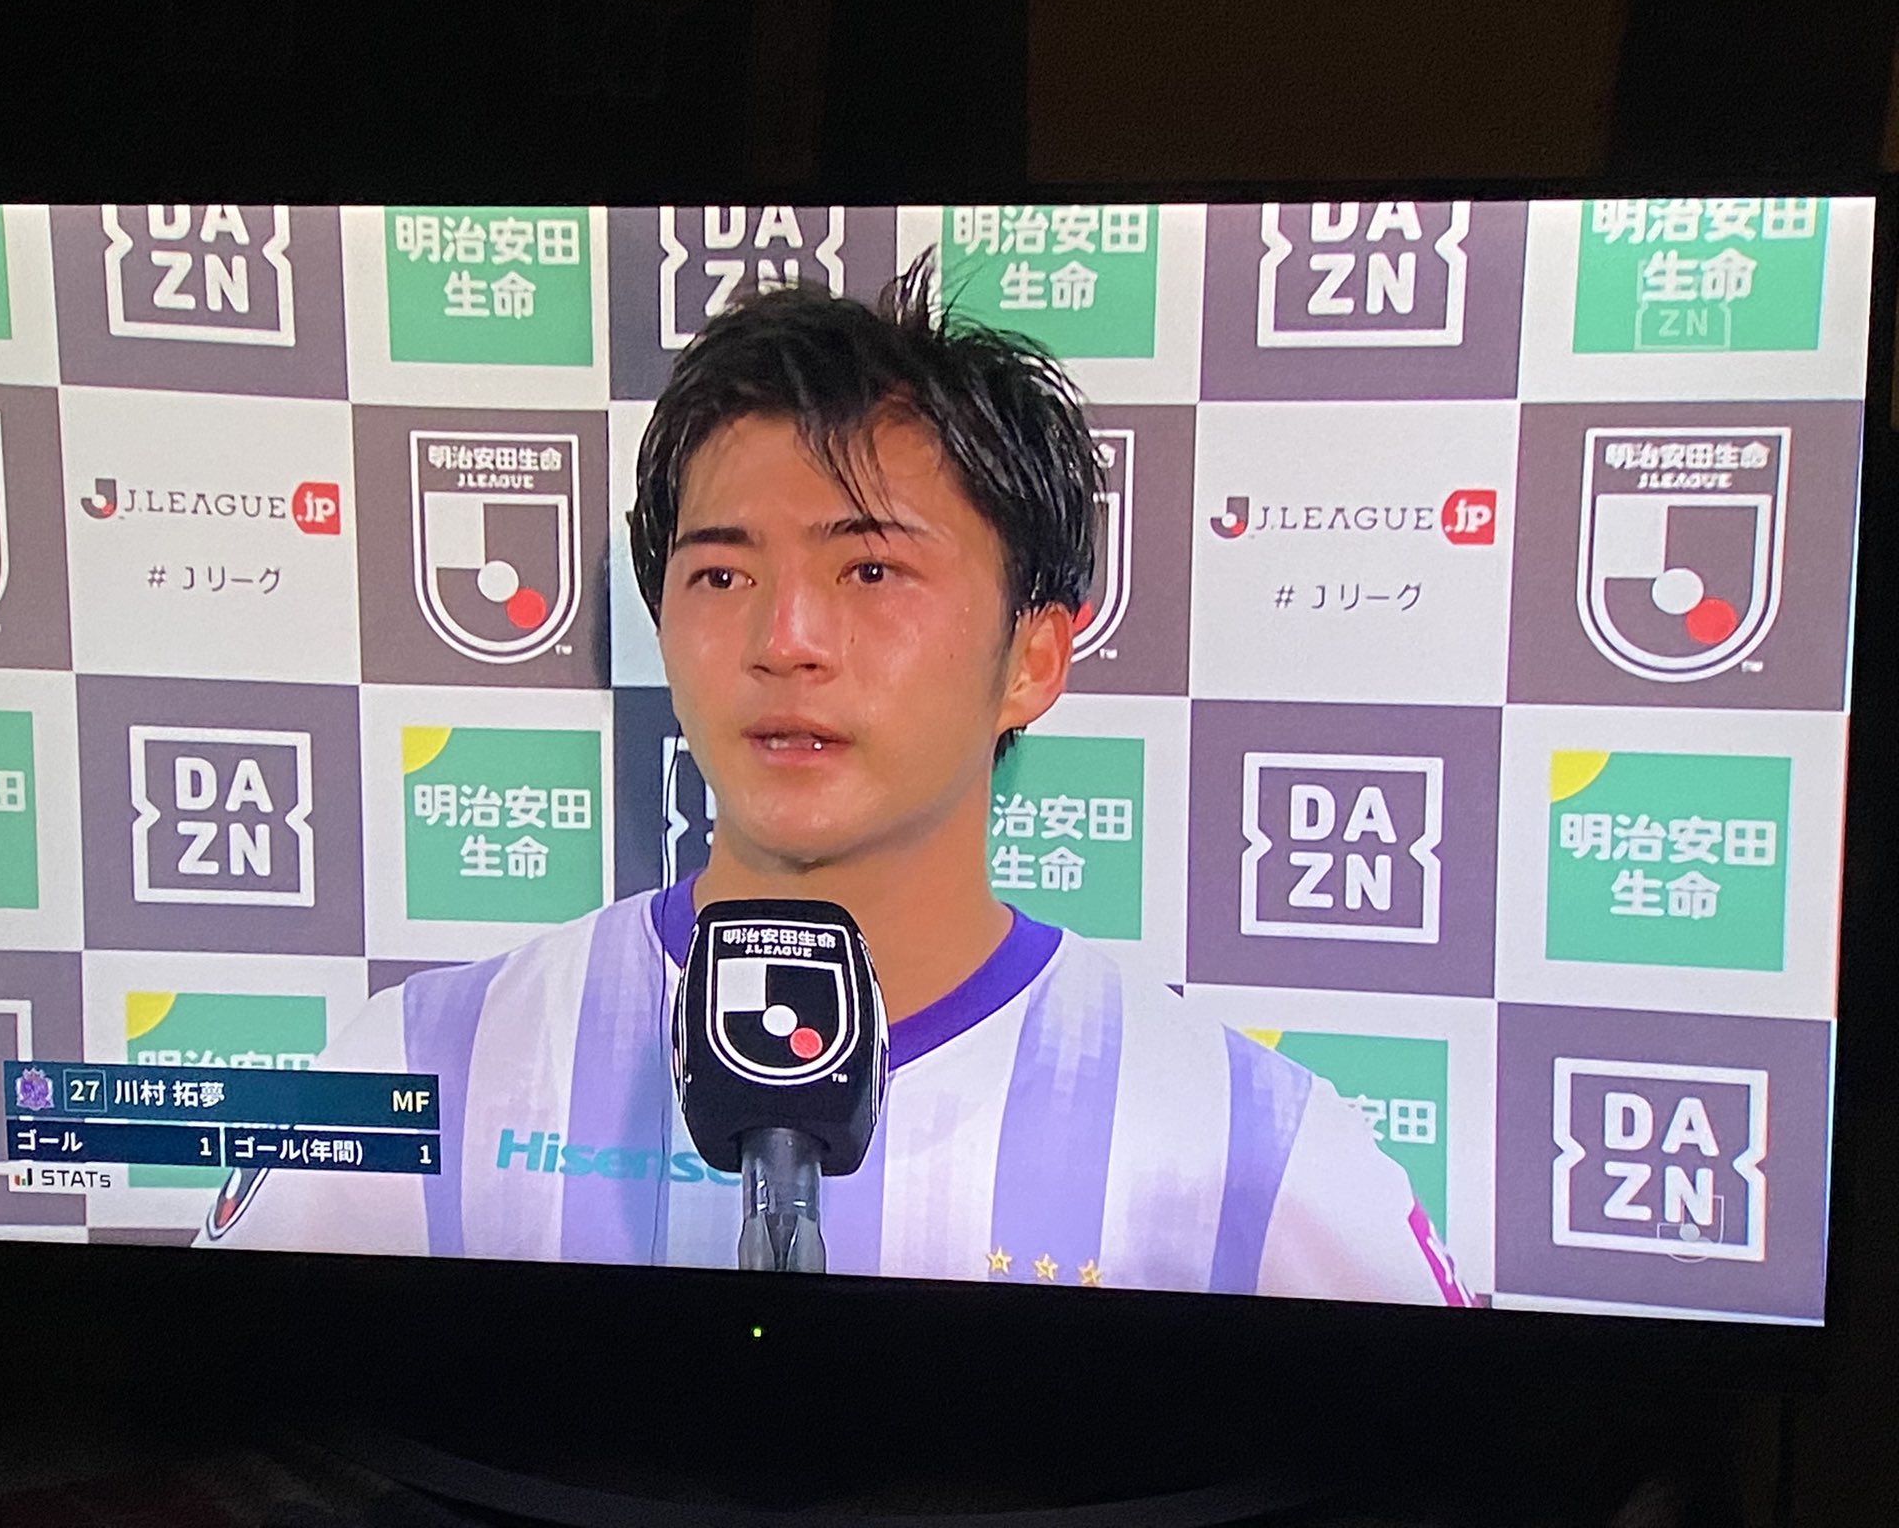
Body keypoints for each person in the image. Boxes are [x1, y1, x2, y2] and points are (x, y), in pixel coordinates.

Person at [198, 256, 1471, 1306]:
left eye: (868, 571)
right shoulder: (418, 1072)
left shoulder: (1251, 1145)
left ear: (1033, 657)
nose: (785, 639)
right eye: (720, 574)